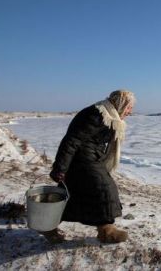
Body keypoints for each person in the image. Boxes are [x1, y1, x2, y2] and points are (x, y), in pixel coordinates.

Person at [44, 90, 135, 244]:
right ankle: (106, 231)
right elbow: (72, 140)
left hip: (91, 157)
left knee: (73, 195)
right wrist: (60, 167)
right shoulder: (97, 114)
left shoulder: (109, 115)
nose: (130, 112)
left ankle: (47, 225)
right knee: (105, 189)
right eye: (128, 107)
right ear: (120, 103)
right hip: (81, 159)